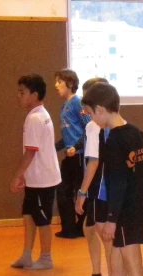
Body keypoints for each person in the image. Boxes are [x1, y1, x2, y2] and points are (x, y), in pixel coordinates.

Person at [82, 83, 143, 276]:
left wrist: (111, 218)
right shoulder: (133, 132)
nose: (91, 118)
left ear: (101, 109)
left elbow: (118, 182)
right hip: (138, 205)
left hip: (127, 210)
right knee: (118, 261)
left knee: (132, 263)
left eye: (91, 113)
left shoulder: (115, 140)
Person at [9, 74, 61, 270]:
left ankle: (46, 257)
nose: (19, 96)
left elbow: (31, 151)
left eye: (22, 93)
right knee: (29, 216)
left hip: (42, 179)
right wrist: (25, 175)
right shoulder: (40, 114)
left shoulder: (35, 118)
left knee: (42, 218)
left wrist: (17, 175)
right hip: (37, 177)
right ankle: (26, 255)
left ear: (34, 95)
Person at [75, 77, 111, 276]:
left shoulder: (94, 126)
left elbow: (94, 161)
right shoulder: (101, 125)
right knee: (90, 229)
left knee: (104, 233)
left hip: (98, 187)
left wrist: (82, 191)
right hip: (100, 186)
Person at [54, 69, 89, 238]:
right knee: (63, 192)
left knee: (79, 191)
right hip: (70, 156)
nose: (56, 85)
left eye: (59, 82)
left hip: (80, 155)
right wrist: (54, 148)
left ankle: (80, 227)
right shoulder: (64, 106)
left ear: (69, 84)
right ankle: (68, 228)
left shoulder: (77, 103)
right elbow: (68, 134)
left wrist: (76, 146)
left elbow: (89, 129)